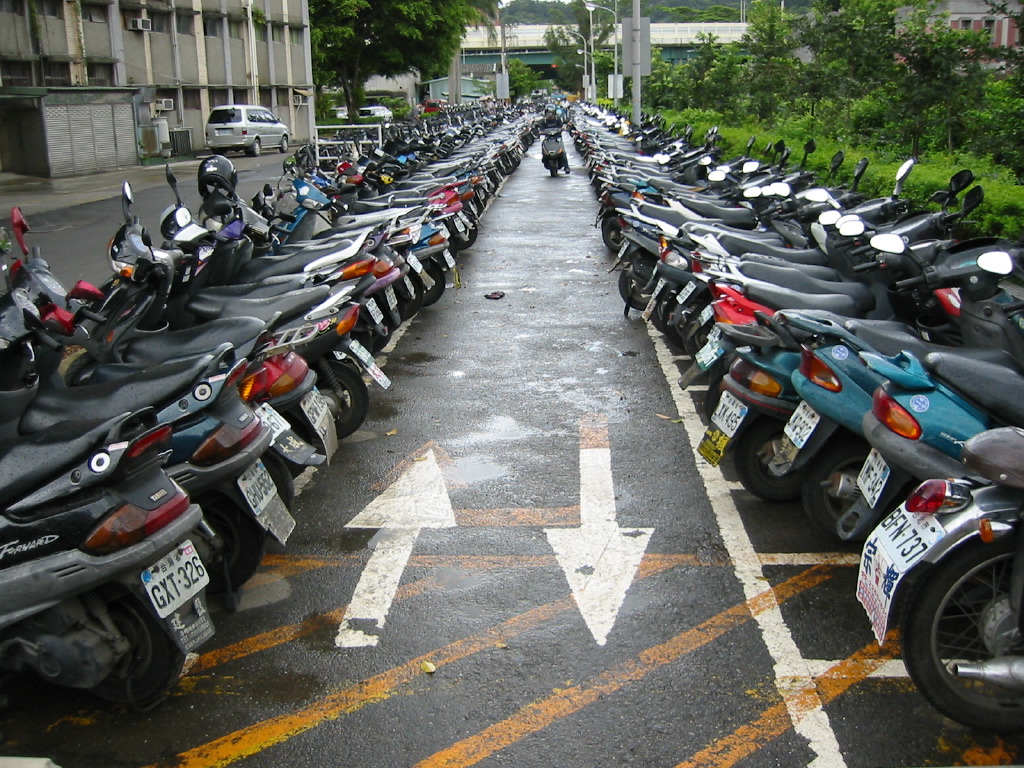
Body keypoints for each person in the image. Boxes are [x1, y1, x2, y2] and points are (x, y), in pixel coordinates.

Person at [539, 106, 570, 173]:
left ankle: (566, 167)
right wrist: (541, 132)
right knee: (543, 146)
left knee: (562, 151)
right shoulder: (543, 121)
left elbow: (561, 126)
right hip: (548, 138)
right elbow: (541, 129)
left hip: (557, 137)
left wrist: (563, 128)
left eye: (550, 112)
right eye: (547, 112)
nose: (549, 114)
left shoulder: (557, 119)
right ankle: (544, 158)